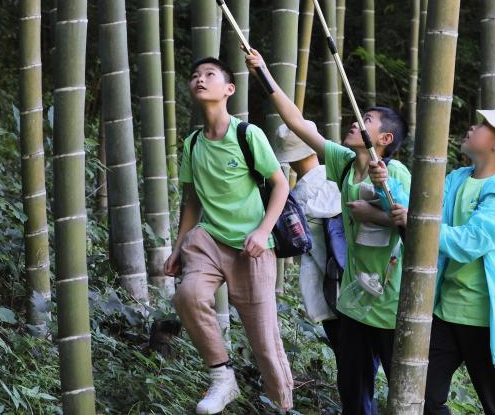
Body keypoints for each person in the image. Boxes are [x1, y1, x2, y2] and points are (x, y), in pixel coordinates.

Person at [246, 48, 410, 415]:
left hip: (390, 301)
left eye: (367, 120)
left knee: (403, 394)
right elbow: (297, 122)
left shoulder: (396, 172)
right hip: (354, 300)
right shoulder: (344, 162)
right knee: (353, 391)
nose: (355, 122)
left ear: (384, 138)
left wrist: (378, 204)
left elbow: (413, 222)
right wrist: (263, 73)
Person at [163, 57, 293, 414]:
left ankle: (282, 406)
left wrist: (263, 231)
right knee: (188, 295)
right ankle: (222, 377)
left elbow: (280, 185)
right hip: (209, 241)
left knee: (264, 343)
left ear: (229, 89)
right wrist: (177, 249)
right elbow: (192, 202)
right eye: (195, 75)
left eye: (209, 75)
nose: (200, 79)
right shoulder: (192, 144)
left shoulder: (247, 134)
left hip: (252, 247)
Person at [384, 107, 495, 415]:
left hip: (488, 321)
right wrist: (385, 184)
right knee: (421, 398)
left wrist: (417, 223)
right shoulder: (458, 178)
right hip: (446, 311)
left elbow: (470, 242)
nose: (472, 127)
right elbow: (421, 210)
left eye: (483, 125)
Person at [273, 121, 343, 350]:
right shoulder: (342, 178)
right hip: (358, 280)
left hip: (327, 287)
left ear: (290, 160)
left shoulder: (296, 197)